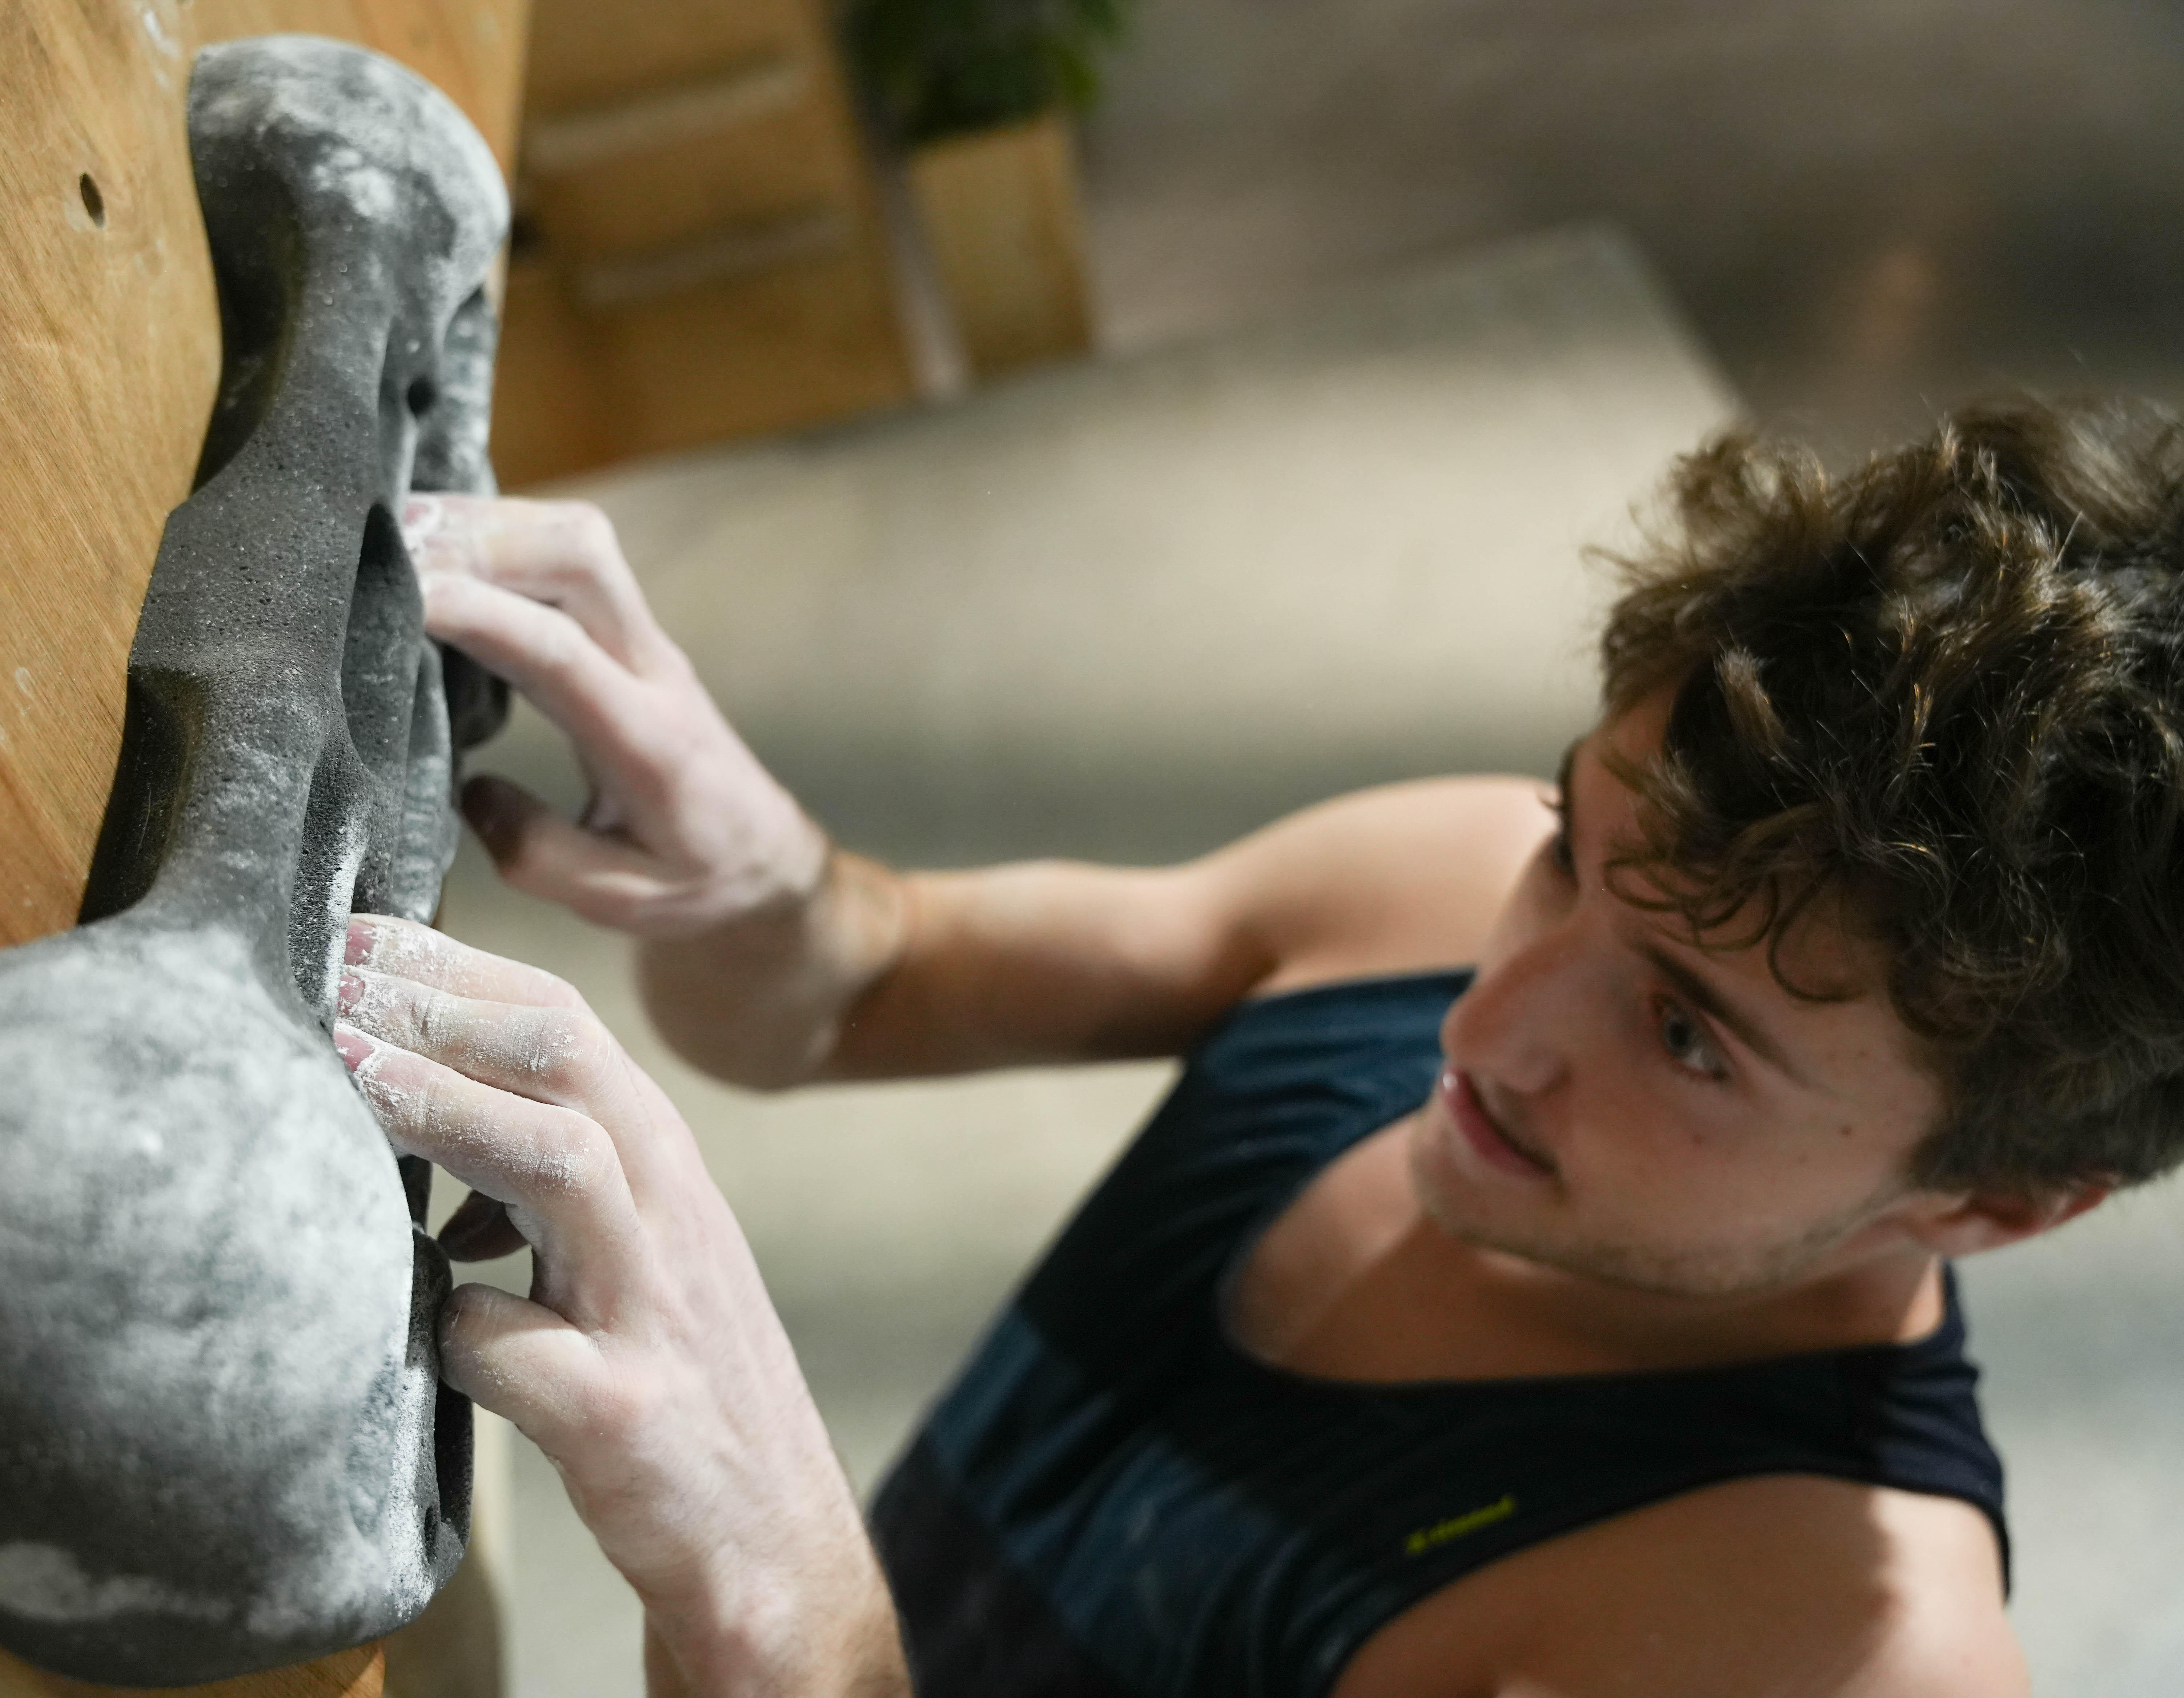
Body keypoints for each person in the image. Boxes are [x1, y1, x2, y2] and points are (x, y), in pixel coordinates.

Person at [335, 397, 2184, 1696]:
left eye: (1690, 1037)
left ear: (1998, 1203)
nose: (1492, 1018)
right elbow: (852, 992)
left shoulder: (1797, 1652)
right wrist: (768, 896)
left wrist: (779, 1610)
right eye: (1571, 844)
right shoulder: (1447, 880)